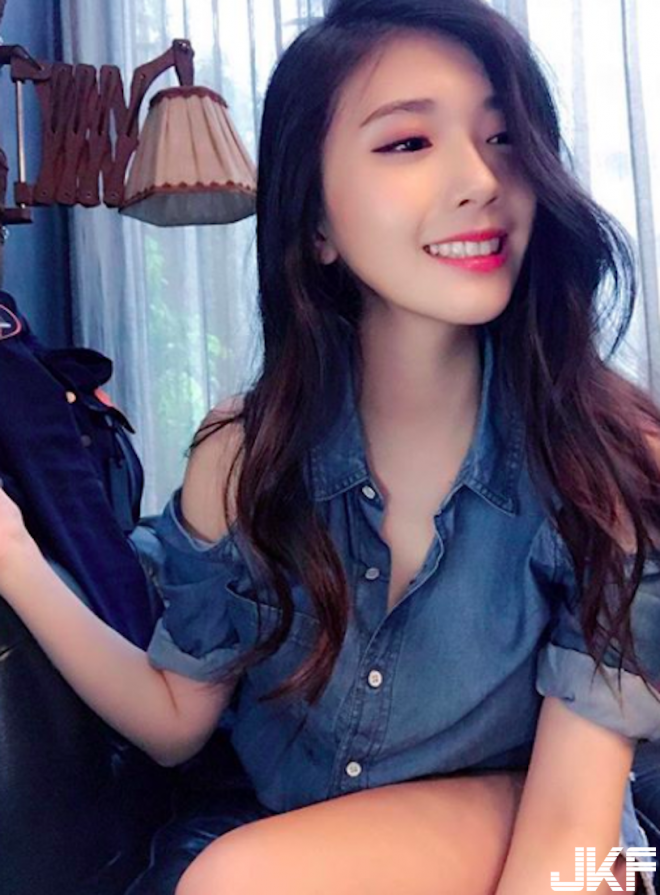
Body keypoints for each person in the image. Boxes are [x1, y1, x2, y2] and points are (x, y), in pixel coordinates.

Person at [1, 0, 660, 893]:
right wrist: (16, 556)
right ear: (315, 223)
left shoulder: (605, 460)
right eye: (408, 142)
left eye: (504, 138)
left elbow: (572, 831)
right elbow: (174, 718)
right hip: (323, 846)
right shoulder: (243, 455)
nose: (482, 179)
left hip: (573, 836)